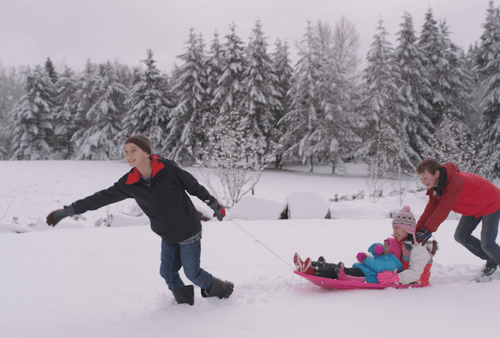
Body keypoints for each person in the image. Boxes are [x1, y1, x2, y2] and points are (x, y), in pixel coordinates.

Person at [46, 134, 233, 306]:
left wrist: (214, 205)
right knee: (167, 273)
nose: (128, 155)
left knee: (193, 273)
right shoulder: (130, 182)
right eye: (126, 152)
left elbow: (194, 187)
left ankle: (222, 289)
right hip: (167, 234)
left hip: (188, 230)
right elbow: (100, 198)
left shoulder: (167, 169)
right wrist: (67, 211)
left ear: (146, 152)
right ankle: (184, 307)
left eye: (133, 150)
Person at [295, 206, 438, 286]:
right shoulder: (402, 243)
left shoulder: (418, 248)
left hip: (412, 281)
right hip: (387, 273)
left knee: (344, 271)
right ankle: (312, 265)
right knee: (348, 269)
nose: (394, 232)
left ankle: (313, 269)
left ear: (408, 229)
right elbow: (386, 255)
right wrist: (379, 250)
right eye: (393, 228)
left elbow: (415, 273)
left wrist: (396, 278)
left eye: (397, 228)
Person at [415, 158, 500, 277]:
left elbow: (443, 208)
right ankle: (492, 259)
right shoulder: (436, 187)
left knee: (488, 245)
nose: (423, 182)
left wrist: (428, 230)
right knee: (461, 236)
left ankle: (494, 258)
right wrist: (417, 231)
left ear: (437, 173)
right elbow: (430, 209)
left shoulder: (454, 182)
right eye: (421, 178)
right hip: (472, 207)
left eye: (425, 177)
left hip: (491, 203)